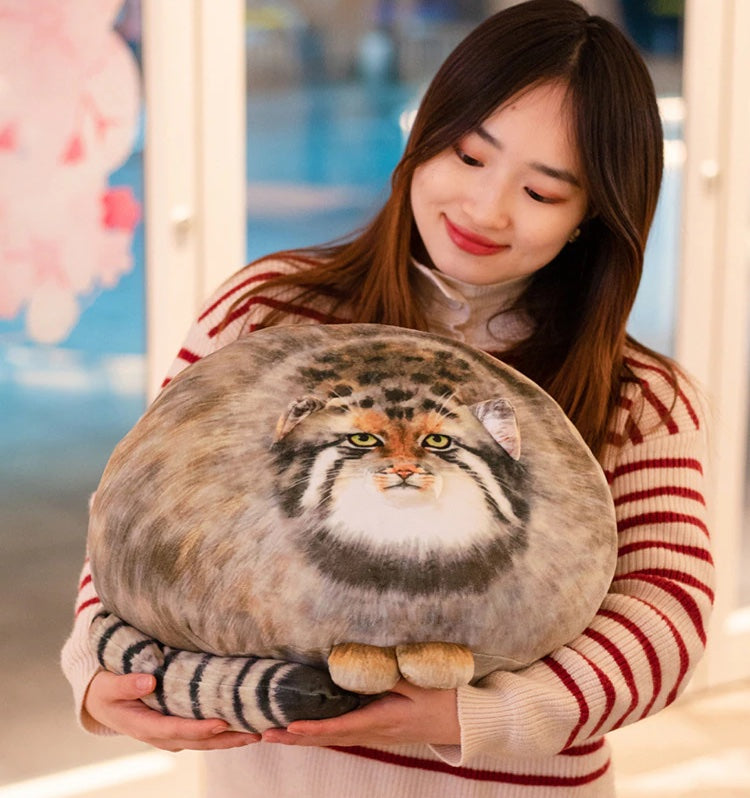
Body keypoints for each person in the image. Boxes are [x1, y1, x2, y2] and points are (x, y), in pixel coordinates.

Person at [62, 1, 714, 795]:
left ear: (592, 217)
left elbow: (667, 617)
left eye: (543, 193)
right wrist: (95, 675)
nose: (486, 209)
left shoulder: (640, 397)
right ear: (423, 133)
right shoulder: (266, 312)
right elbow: (140, 508)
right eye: (470, 156)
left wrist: (466, 717)